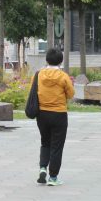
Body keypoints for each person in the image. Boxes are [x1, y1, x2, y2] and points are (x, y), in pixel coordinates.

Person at [34, 48, 74, 186]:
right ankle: (53, 177)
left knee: (45, 142)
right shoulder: (63, 76)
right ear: (61, 61)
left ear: (46, 59)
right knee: (57, 146)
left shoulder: (39, 74)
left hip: (42, 114)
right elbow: (71, 94)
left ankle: (42, 168)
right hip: (59, 114)